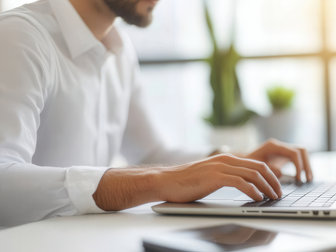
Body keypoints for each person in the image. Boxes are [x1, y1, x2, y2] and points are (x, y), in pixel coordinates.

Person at [0, 0, 313, 227]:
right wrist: (156, 181)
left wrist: (234, 161)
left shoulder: (119, 51)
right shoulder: (19, 37)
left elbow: (150, 152)